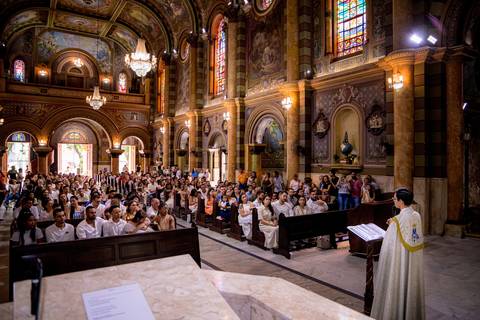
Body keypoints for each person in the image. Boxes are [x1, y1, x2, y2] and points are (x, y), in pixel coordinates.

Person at [371, 188, 425, 320]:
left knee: (397, 283)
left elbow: (389, 247)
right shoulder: (416, 215)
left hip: (399, 263)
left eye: (394, 199)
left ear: (400, 201)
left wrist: (392, 224)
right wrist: (393, 222)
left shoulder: (397, 221)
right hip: (413, 261)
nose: (394, 201)